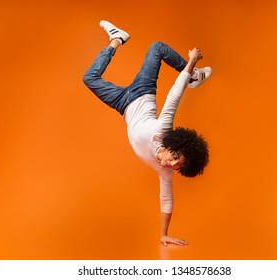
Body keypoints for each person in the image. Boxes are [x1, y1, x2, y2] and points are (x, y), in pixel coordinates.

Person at [83, 20, 211, 246]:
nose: (171, 165)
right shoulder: (162, 130)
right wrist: (190, 62)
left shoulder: (164, 172)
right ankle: (194, 76)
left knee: (89, 79)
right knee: (157, 48)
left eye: (177, 166)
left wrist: (163, 234)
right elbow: (174, 95)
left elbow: (166, 200)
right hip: (142, 91)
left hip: (122, 104)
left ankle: (116, 39)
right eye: (175, 158)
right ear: (174, 146)